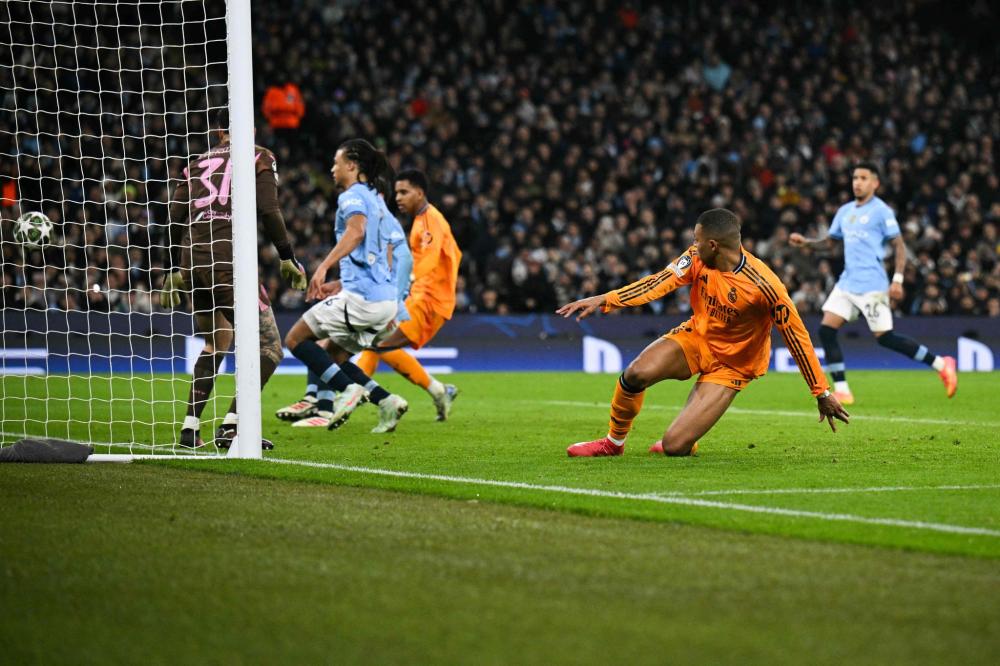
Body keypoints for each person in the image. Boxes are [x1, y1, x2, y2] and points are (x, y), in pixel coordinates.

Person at [558, 208, 849, 458]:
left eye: (697, 241)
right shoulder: (696, 258)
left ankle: (687, 434)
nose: (692, 246)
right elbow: (658, 282)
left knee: (673, 446)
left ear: (713, 244)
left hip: (734, 365)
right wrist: (606, 299)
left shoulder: (765, 286)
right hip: (698, 338)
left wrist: (821, 392)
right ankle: (612, 444)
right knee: (636, 373)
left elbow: (797, 338)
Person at [160, 109, 307, 449]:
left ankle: (189, 428)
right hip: (229, 265)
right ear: (249, 127)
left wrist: (173, 267)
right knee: (270, 348)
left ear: (217, 131)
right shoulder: (258, 156)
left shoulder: (196, 163)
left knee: (216, 343)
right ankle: (232, 426)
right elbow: (270, 209)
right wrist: (286, 256)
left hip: (193, 263)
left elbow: (175, 217)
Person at [789, 163, 958, 404]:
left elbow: (900, 246)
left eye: (863, 178)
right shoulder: (845, 211)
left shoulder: (881, 211)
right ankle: (842, 389)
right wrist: (807, 242)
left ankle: (942, 364)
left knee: (885, 338)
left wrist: (897, 280)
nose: (857, 182)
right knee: (826, 330)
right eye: (855, 177)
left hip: (872, 285)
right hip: (847, 282)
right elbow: (830, 243)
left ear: (875, 183)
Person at [283, 139, 410, 433]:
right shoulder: (376, 199)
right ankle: (386, 401)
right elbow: (387, 249)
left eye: (336, 163)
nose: (332, 169)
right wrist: (341, 282)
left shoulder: (352, 196)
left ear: (351, 165)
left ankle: (345, 391)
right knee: (332, 358)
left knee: (296, 340)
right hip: (382, 301)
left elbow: (355, 232)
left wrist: (324, 267)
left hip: (362, 300)